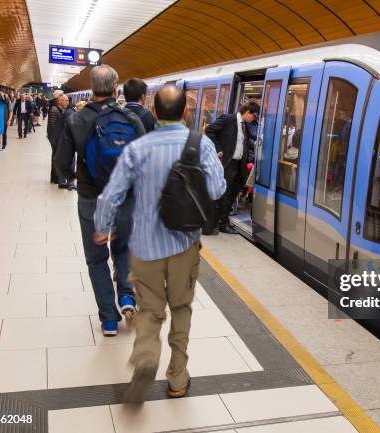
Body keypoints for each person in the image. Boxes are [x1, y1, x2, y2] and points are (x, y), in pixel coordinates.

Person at [94, 85, 225, 403]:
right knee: (181, 308)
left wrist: (102, 226)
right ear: (184, 112)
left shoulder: (138, 148)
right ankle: (178, 378)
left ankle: (146, 359)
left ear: (153, 112)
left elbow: (112, 194)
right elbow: (218, 189)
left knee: (150, 311)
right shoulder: (201, 144)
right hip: (184, 244)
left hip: (145, 247)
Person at [55, 64, 146, 336]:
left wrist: (77, 178)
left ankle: (108, 319)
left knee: (96, 258)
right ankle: (127, 297)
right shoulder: (131, 119)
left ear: (92, 87)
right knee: (123, 248)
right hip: (124, 198)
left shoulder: (76, 119)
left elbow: (61, 162)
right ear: (116, 86)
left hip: (90, 197)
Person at [204, 100, 259, 234]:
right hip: (227, 164)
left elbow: (244, 142)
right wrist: (218, 148)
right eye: (254, 116)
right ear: (247, 112)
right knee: (224, 195)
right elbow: (209, 130)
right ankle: (219, 223)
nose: (254, 119)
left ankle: (223, 222)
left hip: (238, 166)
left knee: (231, 195)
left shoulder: (244, 125)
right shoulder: (228, 119)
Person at [51, 94, 76, 190]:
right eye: (65, 101)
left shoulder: (66, 111)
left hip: (60, 141)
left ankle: (62, 181)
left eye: (67, 101)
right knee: (71, 161)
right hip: (66, 142)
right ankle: (70, 183)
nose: (67, 102)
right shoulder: (70, 112)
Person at [47, 90, 64, 184]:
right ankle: (55, 177)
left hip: (55, 137)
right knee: (55, 157)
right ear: (58, 98)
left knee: (55, 156)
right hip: (55, 138)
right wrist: (55, 138)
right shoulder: (54, 109)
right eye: (61, 97)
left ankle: (55, 177)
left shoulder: (56, 108)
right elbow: (53, 125)